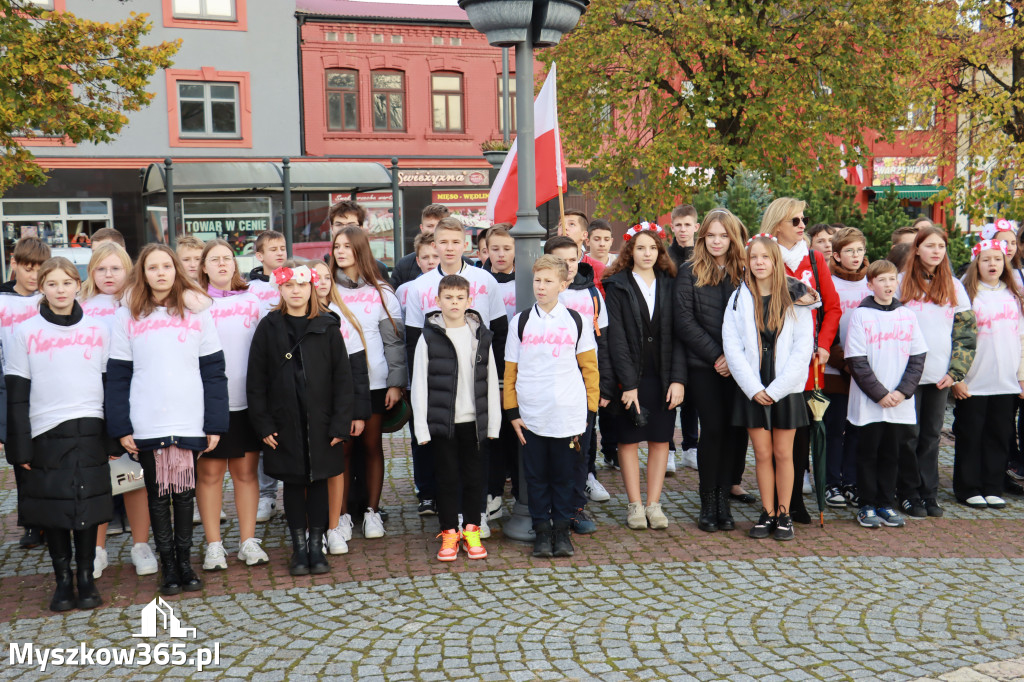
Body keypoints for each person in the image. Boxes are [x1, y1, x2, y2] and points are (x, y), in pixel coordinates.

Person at [105, 244, 229, 596]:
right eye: (152, 268)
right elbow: (117, 374)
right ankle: (168, 567)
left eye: (166, 266)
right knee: (158, 495)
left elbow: (214, 370)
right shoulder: (127, 314)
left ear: (177, 270)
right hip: (146, 419)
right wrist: (121, 427)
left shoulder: (198, 311)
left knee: (185, 494)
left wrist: (215, 423)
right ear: (142, 273)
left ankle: (186, 564)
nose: (160, 273)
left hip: (189, 416)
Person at [6, 257, 113, 612]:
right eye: (52, 284)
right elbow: (17, 392)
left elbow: (108, 383)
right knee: (54, 508)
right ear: (42, 288)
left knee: (87, 506)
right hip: (45, 430)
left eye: (66, 283)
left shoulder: (98, 330)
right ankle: (62, 580)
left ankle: (85, 577)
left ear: (77, 285)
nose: (60, 290)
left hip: (89, 426)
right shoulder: (25, 332)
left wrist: (113, 434)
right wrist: (19, 443)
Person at [246, 262, 354, 575]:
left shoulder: (327, 325)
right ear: (279, 289)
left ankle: (317, 543)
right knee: (293, 483)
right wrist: (263, 423)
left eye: (301, 286)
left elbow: (342, 379)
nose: (296, 291)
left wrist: (339, 422)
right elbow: (257, 380)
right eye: (289, 286)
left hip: (321, 422)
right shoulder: (269, 327)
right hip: (284, 422)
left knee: (319, 481)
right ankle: (299, 547)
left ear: (311, 288)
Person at [404, 217, 509, 531]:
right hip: (439, 388)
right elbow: (412, 341)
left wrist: (499, 380)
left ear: (466, 244)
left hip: (476, 384)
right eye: (443, 242)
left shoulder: (485, 280)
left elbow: (499, 332)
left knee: (478, 454)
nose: (449, 248)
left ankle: (478, 515)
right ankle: (448, 517)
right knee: (444, 458)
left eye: (455, 242)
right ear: (433, 245)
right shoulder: (418, 287)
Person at [722, 235, 816, 541]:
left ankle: (785, 513)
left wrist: (776, 390)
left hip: (785, 388)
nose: (759, 263)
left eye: (766, 257)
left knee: (783, 453)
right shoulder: (738, 298)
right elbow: (732, 347)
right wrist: (753, 388)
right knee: (761, 454)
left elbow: (803, 350)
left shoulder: (797, 300)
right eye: (754, 258)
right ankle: (768, 512)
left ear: (777, 262)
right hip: (752, 386)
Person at [505, 256, 599, 557]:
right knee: (536, 477)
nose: (541, 286)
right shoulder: (519, 322)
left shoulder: (576, 321)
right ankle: (541, 531)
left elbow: (589, 369)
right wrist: (513, 413)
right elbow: (510, 372)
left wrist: (590, 412)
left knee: (564, 476)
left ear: (563, 284)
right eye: (537, 280)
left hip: (568, 415)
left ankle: (561, 530)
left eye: (548, 281)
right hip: (532, 416)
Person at [601, 222, 685, 531]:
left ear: (660, 251)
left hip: (662, 375)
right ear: (629, 251)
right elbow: (617, 339)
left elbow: (678, 335)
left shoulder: (671, 282)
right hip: (631, 377)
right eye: (640, 248)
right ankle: (635, 505)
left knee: (661, 439)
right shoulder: (617, 285)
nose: (647, 253)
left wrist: (678, 379)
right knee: (629, 440)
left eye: (652, 248)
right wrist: (629, 385)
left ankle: (654, 503)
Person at [80, 243, 157, 579]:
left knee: (135, 475)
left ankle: (141, 544)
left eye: (115, 268)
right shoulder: (80, 305)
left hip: (131, 395)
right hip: (90, 398)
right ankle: (96, 549)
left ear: (129, 271)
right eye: (101, 269)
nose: (108, 275)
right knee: (96, 477)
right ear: (91, 273)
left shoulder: (138, 304)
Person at [762, 197, 842, 525]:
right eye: (795, 220)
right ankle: (774, 502)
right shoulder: (763, 256)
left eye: (803, 219)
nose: (802, 225)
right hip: (772, 362)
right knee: (772, 437)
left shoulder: (814, 258)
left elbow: (833, 307)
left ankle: (794, 501)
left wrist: (823, 345)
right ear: (778, 222)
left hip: (809, 365)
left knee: (801, 434)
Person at [411, 275, 500, 561]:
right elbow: (419, 383)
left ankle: (472, 528)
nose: (454, 303)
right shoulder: (428, 337)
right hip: (443, 422)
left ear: (469, 301)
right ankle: (449, 531)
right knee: (447, 479)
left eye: (459, 298)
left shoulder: (480, 336)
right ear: (437, 301)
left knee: (475, 478)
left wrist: (493, 423)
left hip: (474, 422)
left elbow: (491, 380)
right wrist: (421, 428)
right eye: (448, 298)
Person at [674, 208, 751, 532]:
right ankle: (710, 502)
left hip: (741, 368)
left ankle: (725, 495)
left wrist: (734, 358)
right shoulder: (689, 270)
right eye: (711, 235)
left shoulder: (746, 270)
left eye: (723, 235)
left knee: (736, 432)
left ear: (733, 238)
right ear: (702, 237)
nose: (717, 241)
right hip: (705, 366)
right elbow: (684, 320)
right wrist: (718, 355)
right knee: (714, 430)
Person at [195, 239, 269, 570]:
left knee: (246, 472)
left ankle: (248, 541)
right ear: (204, 266)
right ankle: (213, 545)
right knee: (210, 473)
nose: (223, 264)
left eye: (228, 258)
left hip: (248, 399)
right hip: (209, 402)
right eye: (215, 260)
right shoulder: (194, 302)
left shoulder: (253, 299)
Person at [330, 226, 406, 540]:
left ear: (361, 249)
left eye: (347, 246)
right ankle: (344, 514)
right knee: (343, 450)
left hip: (375, 382)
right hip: (337, 385)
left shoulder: (382, 292)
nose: (340, 251)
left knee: (372, 447)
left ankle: (372, 513)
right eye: (336, 246)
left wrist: (395, 383)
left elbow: (394, 344)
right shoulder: (326, 288)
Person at [897, 226, 976, 518]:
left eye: (941, 246)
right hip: (907, 376)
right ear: (916, 249)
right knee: (908, 435)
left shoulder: (954, 285)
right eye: (929, 246)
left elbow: (966, 334)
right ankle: (907, 492)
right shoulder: (901, 283)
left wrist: (956, 372)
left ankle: (929, 493)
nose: (936, 251)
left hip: (939, 376)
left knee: (931, 436)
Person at [844, 260, 927, 529]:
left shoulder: (907, 315)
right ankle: (866, 504)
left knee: (892, 453)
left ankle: (885, 504)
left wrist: (902, 392)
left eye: (892, 279)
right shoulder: (861, 315)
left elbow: (917, 356)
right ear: (870, 285)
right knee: (868, 452)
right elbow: (856, 361)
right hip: (870, 401)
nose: (888, 285)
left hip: (898, 402)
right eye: (881, 280)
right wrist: (880, 394)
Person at [952, 239, 1024, 509]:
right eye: (985, 259)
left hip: (1004, 381)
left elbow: (1020, 337)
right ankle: (968, 487)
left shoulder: (1013, 294)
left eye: (997, 259)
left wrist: (1021, 376)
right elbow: (956, 338)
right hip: (973, 381)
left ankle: (993, 485)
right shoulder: (967, 294)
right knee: (971, 435)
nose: (992, 264)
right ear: (976, 263)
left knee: (999, 434)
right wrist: (957, 379)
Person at [545, 236, 610, 529]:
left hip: (584, 383)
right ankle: (547, 506)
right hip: (549, 384)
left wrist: (604, 385)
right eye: (561, 260)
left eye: (572, 259)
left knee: (580, 447)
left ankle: (575, 507)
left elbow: (604, 342)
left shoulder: (592, 295)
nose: (568, 266)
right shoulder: (544, 293)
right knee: (549, 448)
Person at [310, 259, 370, 555]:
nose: (321, 282)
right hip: (307, 409)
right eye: (314, 277)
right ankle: (313, 527)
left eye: (325, 277)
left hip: (338, 407)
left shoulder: (343, 317)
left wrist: (358, 412)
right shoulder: (295, 315)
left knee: (336, 465)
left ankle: (336, 523)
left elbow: (358, 369)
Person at [0, 236, 49, 550]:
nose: (33, 275)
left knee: (48, 458)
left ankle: (52, 519)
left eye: (39, 269)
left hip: (46, 389)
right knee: (22, 461)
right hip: (10, 390)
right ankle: (32, 524)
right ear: (13, 263)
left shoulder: (51, 298)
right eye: (27, 267)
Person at [823, 227, 872, 509]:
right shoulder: (829, 283)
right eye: (849, 251)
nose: (855, 256)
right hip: (836, 370)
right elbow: (824, 329)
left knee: (857, 429)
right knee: (835, 429)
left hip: (865, 372)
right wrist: (844, 363)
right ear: (837, 255)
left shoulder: (871, 283)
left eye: (859, 250)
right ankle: (831, 482)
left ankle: (852, 480)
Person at [247, 230, 288, 523]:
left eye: (283, 248)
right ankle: (267, 495)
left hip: (290, 368)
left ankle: (295, 490)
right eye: (273, 249)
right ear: (259, 256)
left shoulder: (295, 281)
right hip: (263, 366)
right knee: (267, 435)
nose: (280, 253)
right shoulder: (248, 289)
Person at [481, 225, 517, 517]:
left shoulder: (526, 279)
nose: (501, 254)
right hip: (487, 367)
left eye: (507, 248)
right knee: (492, 435)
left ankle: (520, 492)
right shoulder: (479, 281)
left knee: (516, 433)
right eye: (495, 249)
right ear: (486, 250)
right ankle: (492, 493)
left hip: (517, 369)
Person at [667, 205, 701, 471]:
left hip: (695, 329)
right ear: (672, 227)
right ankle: (667, 447)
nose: (682, 230)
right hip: (669, 329)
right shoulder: (666, 256)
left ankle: (691, 446)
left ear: (696, 227)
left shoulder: (703, 256)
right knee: (670, 392)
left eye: (687, 225)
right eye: (678, 225)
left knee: (692, 397)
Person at [390, 204, 450, 289]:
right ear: (422, 228)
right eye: (430, 226)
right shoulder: (404, 266)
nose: (435, 230)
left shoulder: (462, 263)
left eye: (439, 226)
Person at [328, 200, 389, 280]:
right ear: (332, 229)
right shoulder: (324, 267)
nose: (345, 229)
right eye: (339, 224)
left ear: (361, 228)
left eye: (351, 225)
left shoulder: (377, 268)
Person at [560, 209, 606, 294]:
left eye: (571, 224)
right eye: (560, 225)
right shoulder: (548, 266)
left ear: (584, 235)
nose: (564, 228)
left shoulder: (598, 268)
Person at [395, 233, 440, 317]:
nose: (431, 262)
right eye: (425, 257)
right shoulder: (403, 291)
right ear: (418, 261)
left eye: (436, 256)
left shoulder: (455, 288)